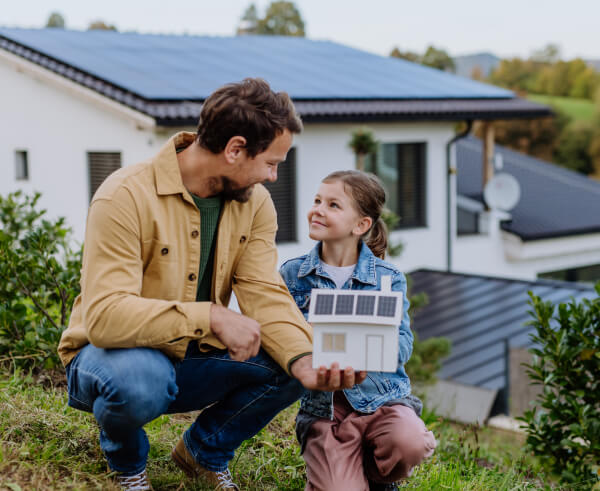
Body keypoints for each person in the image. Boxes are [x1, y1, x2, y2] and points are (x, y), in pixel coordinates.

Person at [57, 78, 364, 491]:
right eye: (271, 163)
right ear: (235, 150)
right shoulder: (125, 195)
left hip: (190, 358)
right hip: (112, 358)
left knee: (291, 354)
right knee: (141, 380)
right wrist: (212, 316)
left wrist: (304, 358)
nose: (274, 177)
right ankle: (127, 463)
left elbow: (263, 292)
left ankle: (203, 452)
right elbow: (105, 319)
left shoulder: (254, 204)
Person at [279, 170, 437, 491]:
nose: (318, 210)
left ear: (361, 225)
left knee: (410, 443)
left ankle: (376, 475)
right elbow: (280, 337)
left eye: (333, 205)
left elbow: (404, 343)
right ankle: (345, 469)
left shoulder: (388, 277)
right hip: (326, 409)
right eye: (317, 201)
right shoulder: (293, 274)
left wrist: (366, 346)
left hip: (383, 400)